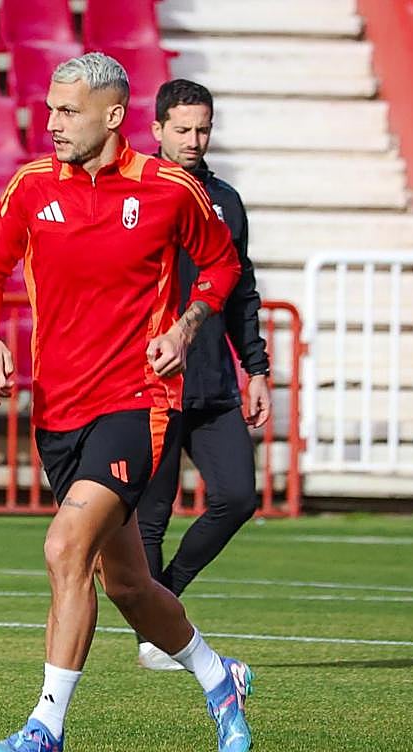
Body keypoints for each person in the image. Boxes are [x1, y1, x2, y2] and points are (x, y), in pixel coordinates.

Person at [0, 52, 255, 752]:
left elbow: (222, 266)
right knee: (124, 583)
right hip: (58, 409)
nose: (53, 123)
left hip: (136, 403)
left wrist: (186, 328)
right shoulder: (31, 188)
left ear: (115, 115)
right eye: (51, 109)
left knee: (66, 548)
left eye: (69, 111)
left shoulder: (170, 190)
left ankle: (45, 728)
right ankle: (221, 683)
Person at [133, 79, 272, 671]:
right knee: (150, 518)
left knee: (238, 496)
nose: (194, 139)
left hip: (214, 384)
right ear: (157, 129)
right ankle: (155, 635)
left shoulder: (227, 201)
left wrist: (257, 369)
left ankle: (164, 599)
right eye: (183, 129)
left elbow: (242, 290)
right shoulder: (134, 195)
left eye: (203, 129)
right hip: (152, 382)